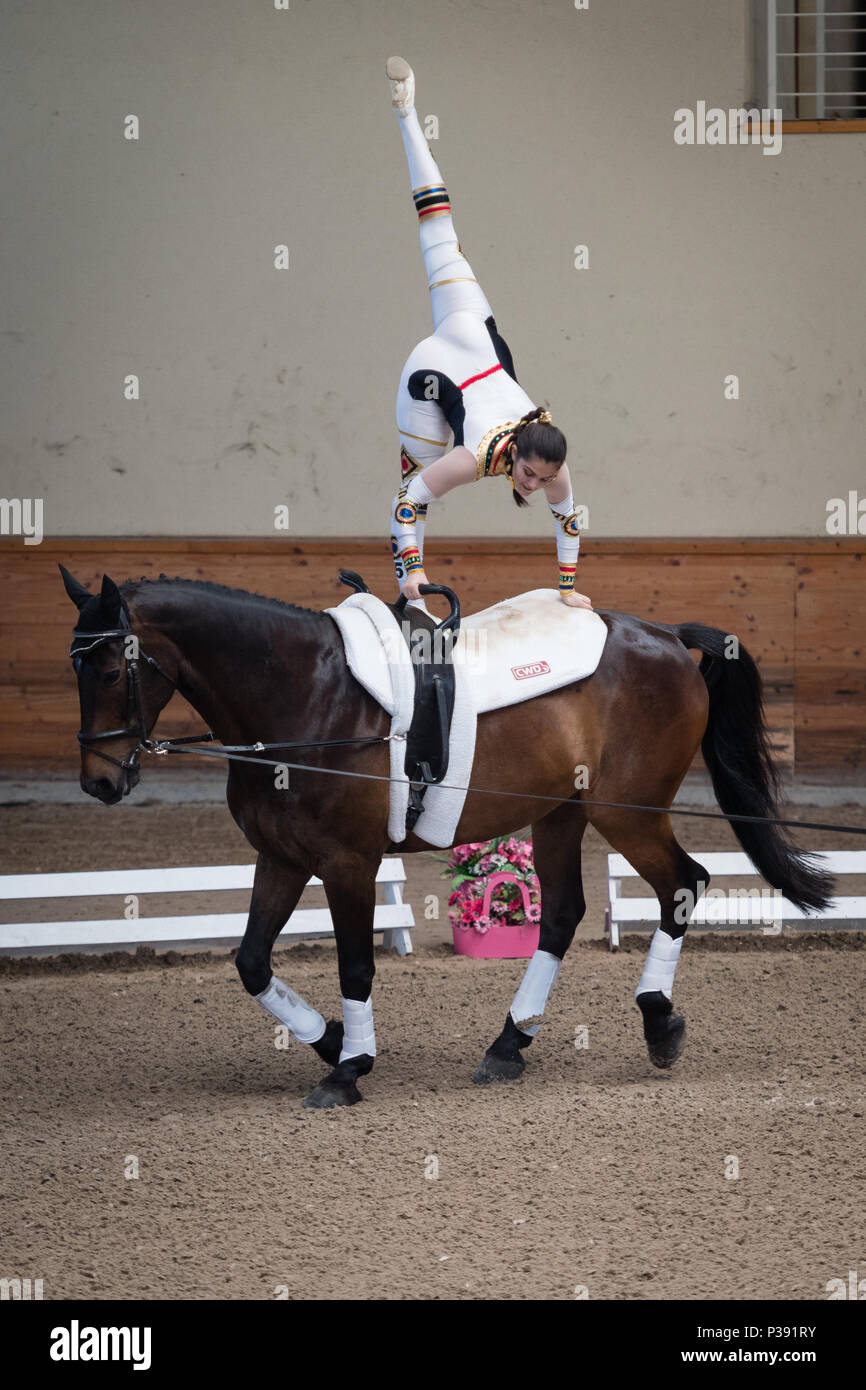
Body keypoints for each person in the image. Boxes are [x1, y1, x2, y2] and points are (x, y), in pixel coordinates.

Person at [386, 56, 592, 612]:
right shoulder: (475, 457)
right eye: (528, 473)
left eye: (540, 478)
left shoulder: (550, 462)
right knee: (439, 226)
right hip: (432, 372)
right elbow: (409, 506)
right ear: (518, 452)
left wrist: (569, 592)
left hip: (476, 336)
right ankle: (407, 112)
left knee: (440, 232)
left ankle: (406, 115)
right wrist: (414, 571)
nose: (531, 484)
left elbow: (568, 519)